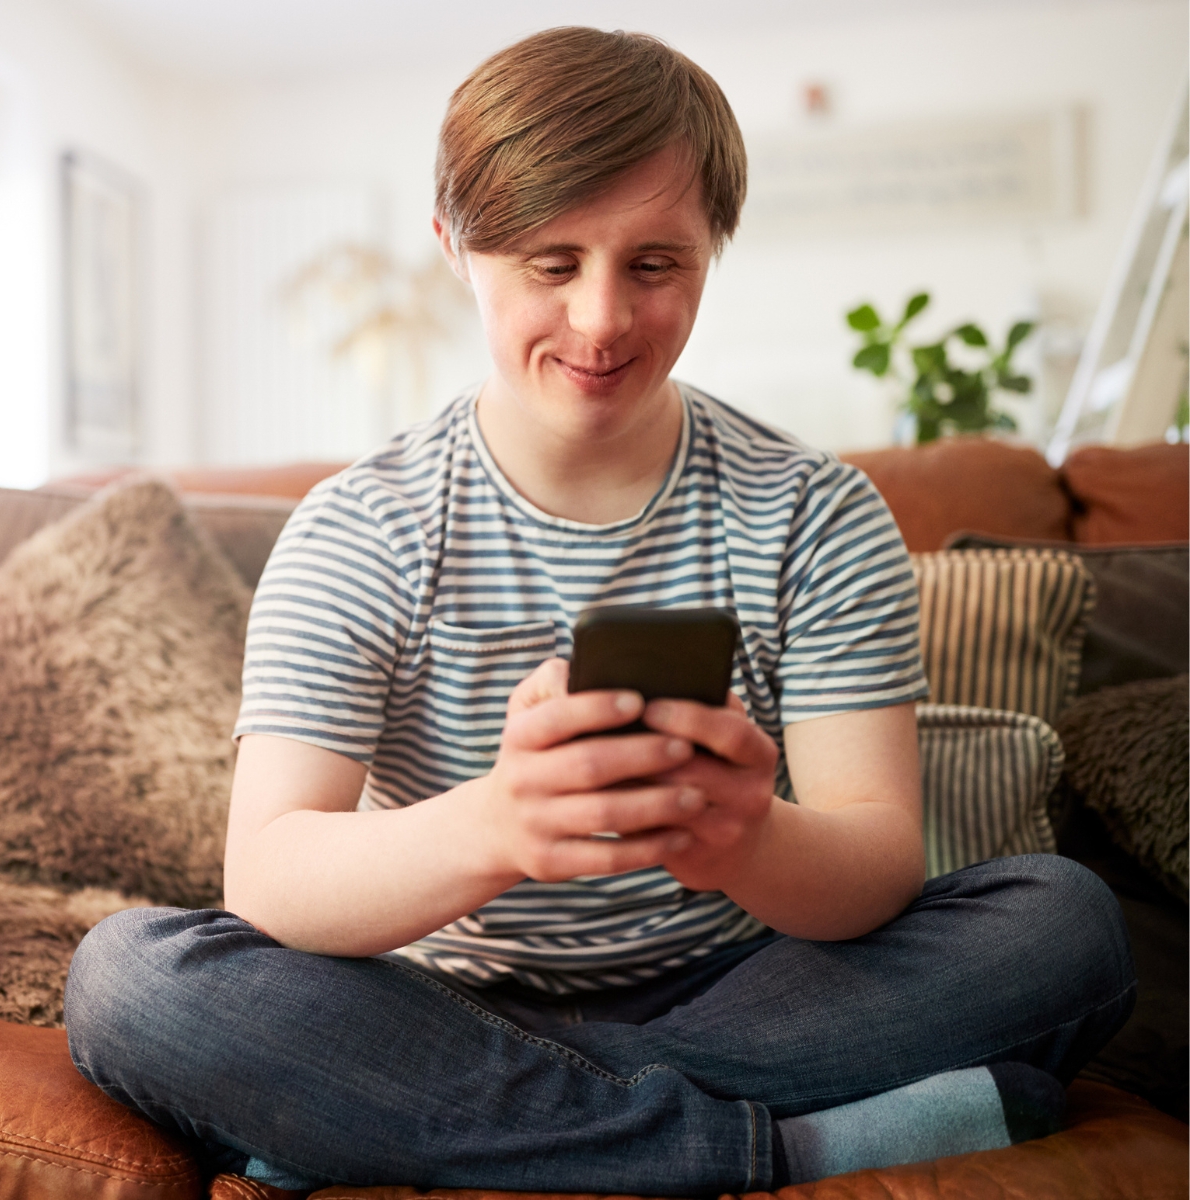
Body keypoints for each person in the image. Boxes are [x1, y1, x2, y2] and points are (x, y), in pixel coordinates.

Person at [64, 27, 1134, 1197]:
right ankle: (786, 1148)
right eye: (551, 262)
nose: (602, 320)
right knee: (129, 978)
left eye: (656, 264)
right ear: (456, 250)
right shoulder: (358, 529)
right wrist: (501, 827)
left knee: (1063, 923)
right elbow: (271, 878)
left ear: (715, 250)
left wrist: (745, 839)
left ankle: (415, 1122)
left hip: (745, 984)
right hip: (431, 993)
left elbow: (875, 861)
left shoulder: (817, 514)